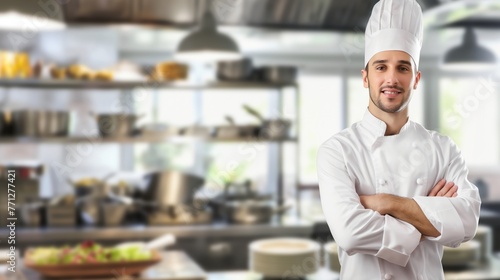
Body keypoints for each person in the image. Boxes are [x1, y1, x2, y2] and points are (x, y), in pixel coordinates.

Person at [316, 0, 481, 279]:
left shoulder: (442, 149)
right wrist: (429, 219)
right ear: (365, 77)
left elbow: (466, 222)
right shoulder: (337, 151)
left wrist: (387, 203)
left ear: (416, 79)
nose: (392, 78)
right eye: (381, 67)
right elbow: (350, 233)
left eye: (402, 68)